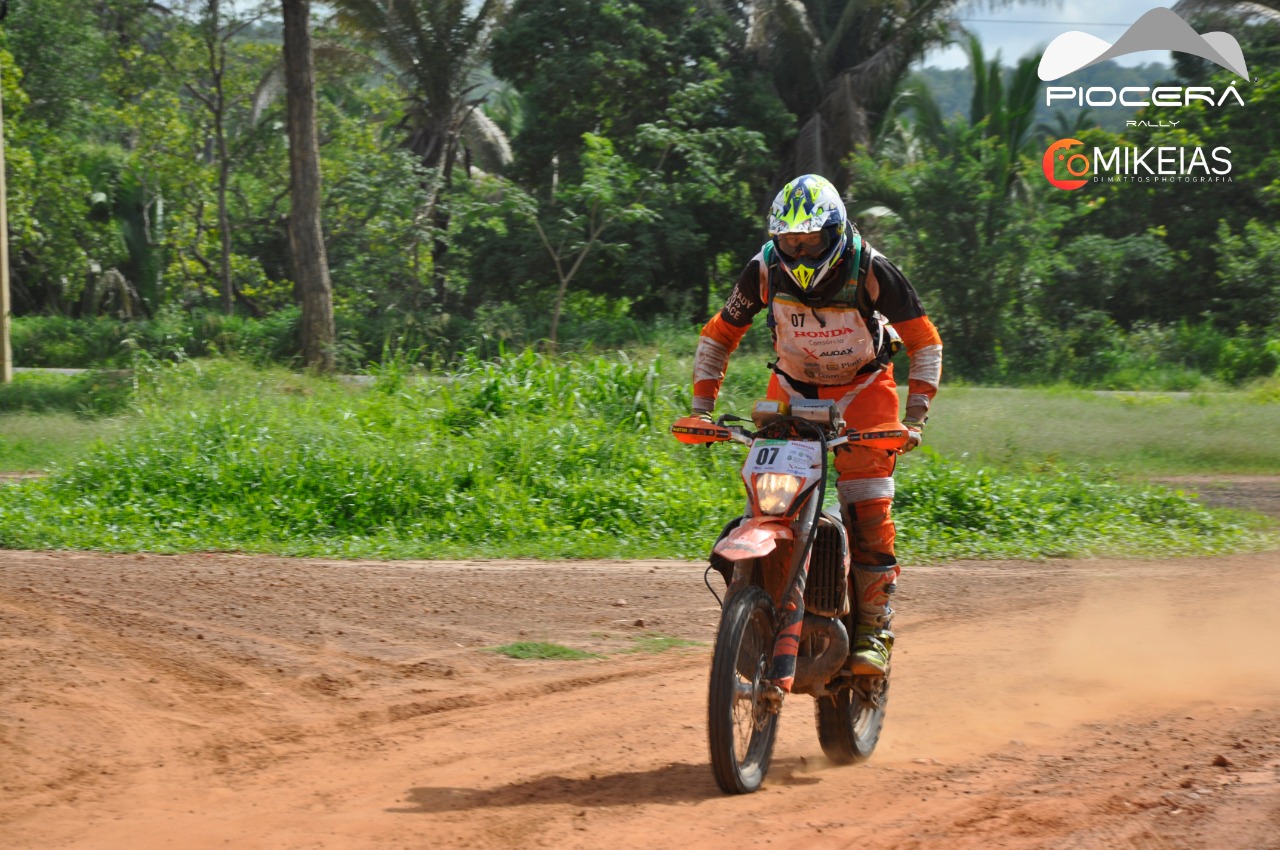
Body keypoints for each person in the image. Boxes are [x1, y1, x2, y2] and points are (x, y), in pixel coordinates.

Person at [686, 173, 942, 676]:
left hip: (864, 391)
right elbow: (719, 335)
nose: (800, 254)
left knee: (867, 508)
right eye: (790, 243)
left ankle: (874, 630)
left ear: (836, 233)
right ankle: (760, 600)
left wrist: (914, 418)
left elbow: (924, 341)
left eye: (810, 242)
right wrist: (701, 409)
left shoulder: (871, 269)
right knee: (767, 498)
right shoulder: (763, 269)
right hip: (791, 390)